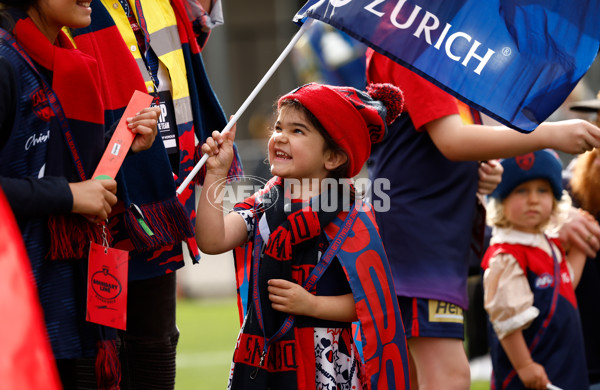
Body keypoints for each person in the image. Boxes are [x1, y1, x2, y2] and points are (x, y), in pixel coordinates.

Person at [365, 49, 600, 390]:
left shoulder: (434, 50)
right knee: (450, 378)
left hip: (433, 241)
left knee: (413, 376)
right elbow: (452, 140)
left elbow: (443, 146)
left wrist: (474, 171)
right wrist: (550, 133)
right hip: (417, 243)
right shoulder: (414, 44)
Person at [67, 1, 243, 388]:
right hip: (90, 197)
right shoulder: (71, 9)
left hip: (161, 197)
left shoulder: (165, 4)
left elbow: (200, 23)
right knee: (92, 350)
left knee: (155, 345)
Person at [195, 83, 410, 389]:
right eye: (278, 126)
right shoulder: (262, 204)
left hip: (327, 362)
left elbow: (371, 303)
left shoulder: (354, 219)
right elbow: (212, 240)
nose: (280, 136)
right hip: (262, 356)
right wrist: (216, 174)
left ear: (333, 157)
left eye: (297, 131)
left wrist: (312, 305)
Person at [0, 1, 159, 388]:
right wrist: (69, 196)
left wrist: (120, 144)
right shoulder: (5, 60)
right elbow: (60, 181)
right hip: (15, 296)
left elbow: (55, 159)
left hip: (59, 289)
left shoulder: (65, 59)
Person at [482, 149, 589, 389]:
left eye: (542, 190)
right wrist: (525, 365)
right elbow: (506, 319)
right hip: (532, 369)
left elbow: (564, 285)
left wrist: (582, 247)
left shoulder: (547, 244)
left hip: (563, 365)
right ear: (501, 201)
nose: (533, 200)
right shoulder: (507, 256)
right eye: (521, 190)